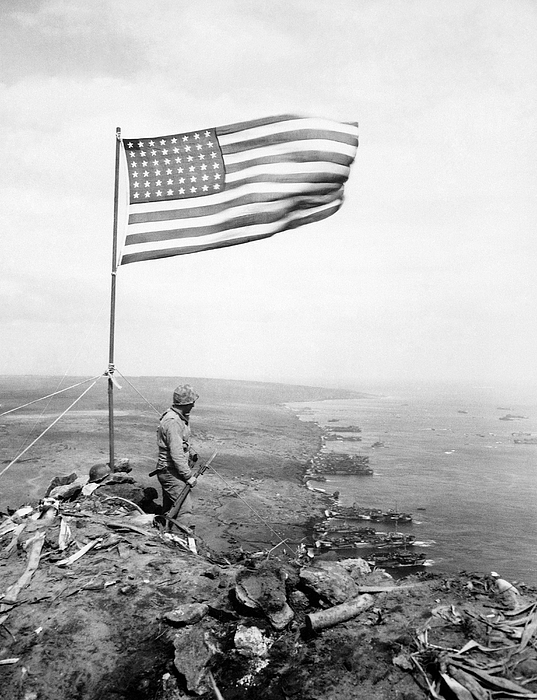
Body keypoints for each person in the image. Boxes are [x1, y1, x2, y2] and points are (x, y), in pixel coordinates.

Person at [155, 383, 200, 522]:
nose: (193, 406)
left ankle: (165, 535)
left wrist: (191, 452)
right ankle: (179, 539)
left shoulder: (178, 418)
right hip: (170, 471)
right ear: (185, 403)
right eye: (192, 402)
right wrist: (188, 476)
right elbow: (176, 453)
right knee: (184, 509)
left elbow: (180, 443)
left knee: (170, 508)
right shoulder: (173, 421)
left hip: (171, 470)